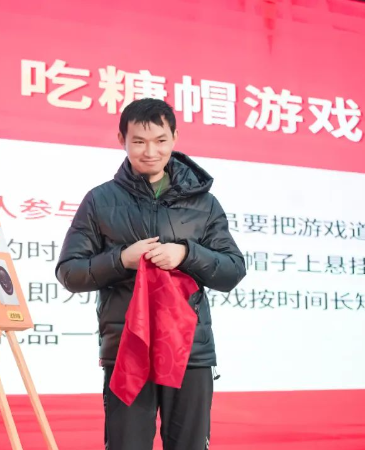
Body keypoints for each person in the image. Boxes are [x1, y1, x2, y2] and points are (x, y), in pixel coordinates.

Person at [56, 98, 246, 450]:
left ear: (175, 137)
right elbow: (69, 272)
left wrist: (187, 254)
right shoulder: (99, 200)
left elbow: (232, 270)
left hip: (189, 351)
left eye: (160, 140)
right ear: (121, 140)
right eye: (139, 142)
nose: (150, 151)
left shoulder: (204, 203)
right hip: (128, 350)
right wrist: (121, 260)